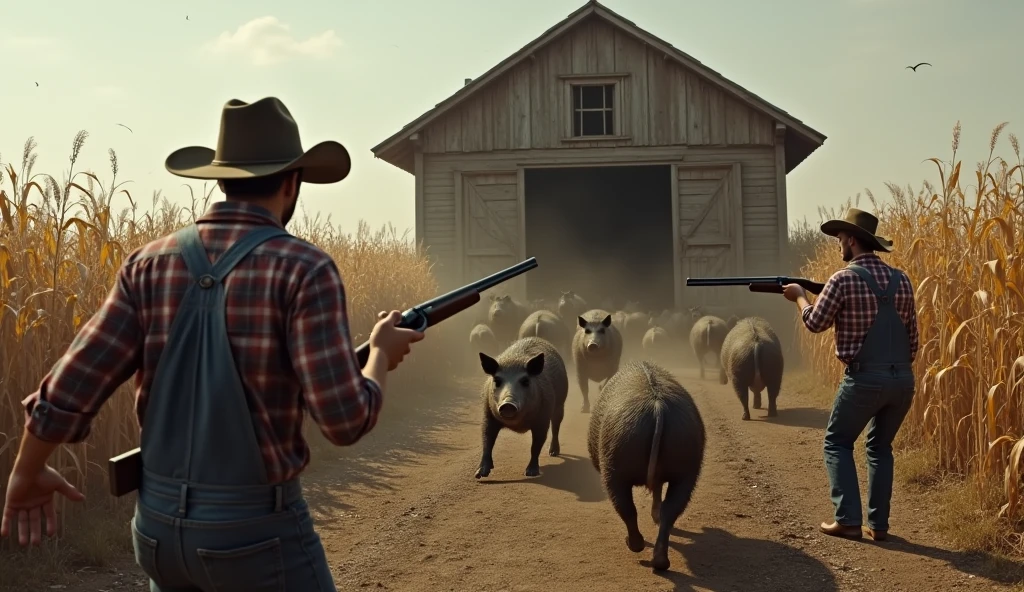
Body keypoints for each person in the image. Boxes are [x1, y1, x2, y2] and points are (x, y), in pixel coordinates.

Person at [1, 97, 425, 590]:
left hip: (157, 534)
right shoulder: (304, 268)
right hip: (256, 536)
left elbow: (71, 386)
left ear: (221, 179)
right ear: (292, 183)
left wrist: (25, 473)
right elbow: (345, 420)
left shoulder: (148, 263)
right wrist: (379, 354)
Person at [782, 207, 918, 542]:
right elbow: (913, 339)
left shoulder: (842, 279)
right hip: (902, 380)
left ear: (853, 241)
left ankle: (848, 521)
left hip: (863, 379)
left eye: (841, 239)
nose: (838, 245)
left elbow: (814, 323)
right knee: (880, 447)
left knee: (837, 442)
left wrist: (799, 296)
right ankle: (879, 526)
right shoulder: (902, 280)